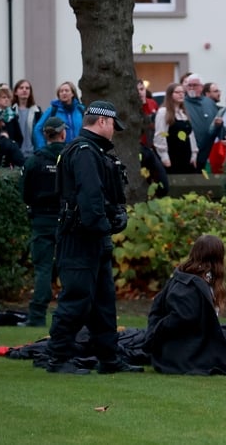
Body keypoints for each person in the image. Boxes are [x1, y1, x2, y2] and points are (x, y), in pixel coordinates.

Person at [46, 100, 143, 375]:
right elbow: (90, 198)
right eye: (112, 124)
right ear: (102, 121)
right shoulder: (85, 152)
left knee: (103, 304)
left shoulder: (90, 151)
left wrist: (110, 221)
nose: (113, 131)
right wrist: (107, 225)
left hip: (91, 237)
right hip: (81, 239)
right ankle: (58, 358)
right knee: (77, 300)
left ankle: (109, 359)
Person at [143, 235, 226, 375]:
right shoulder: (191, 285)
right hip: (189, 351)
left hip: (188, 345)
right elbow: (181, 319)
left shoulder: (185, 278)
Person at [18, 117, 67, 327]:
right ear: (63, 134)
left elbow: (24, 192)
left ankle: (37, 315)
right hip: (66, 219)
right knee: (70, 268)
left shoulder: (34, 161)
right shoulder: (70, 158)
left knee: (43, 269)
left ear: (45, 135)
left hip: (41, 219)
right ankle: (70, 315)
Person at [153, 82, 199, 174]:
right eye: (177, 92)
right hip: (172, 154)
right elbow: (160, 135)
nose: (181, 94)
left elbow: (190, 135)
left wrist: (194, 154)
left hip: (186, 155)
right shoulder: (163, 112)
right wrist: (164, 156)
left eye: (182, 92)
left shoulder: (183, 113)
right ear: (170, 95)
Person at [33, 81, 85, 150]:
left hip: (78, 150)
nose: (64, 93)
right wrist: (42, 147)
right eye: (61, 91)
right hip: (59, 150)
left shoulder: (80, 110)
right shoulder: (52, 110)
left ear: (73, 93)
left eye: (66, 90)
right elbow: (38, 128)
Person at [183, 74, 219, 169]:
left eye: (194, 85)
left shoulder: (210, 103)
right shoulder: (182, 104)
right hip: (190, 151)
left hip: (208, 150)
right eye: (189, 85)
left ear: (201, 87)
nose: (191, 88)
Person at [12, 79, 43, 158]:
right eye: (21, 88)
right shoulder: (11, 111)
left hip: (33, 153)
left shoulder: (37, 111)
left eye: (27, 88)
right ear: (16, 92)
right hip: (15, 153)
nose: (24, 90)